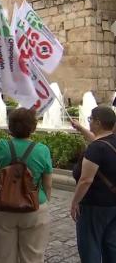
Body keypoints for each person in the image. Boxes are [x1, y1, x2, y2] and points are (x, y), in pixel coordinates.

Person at [0, 108, 52, 263]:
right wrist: (44, 202)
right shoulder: (42, 150)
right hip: (35, 206)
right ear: (33, 127)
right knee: (33, 257)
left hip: (4, 204)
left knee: (2, 256)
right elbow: (47, 184)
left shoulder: (3, 145)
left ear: (10, 127)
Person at [71, 106, 116, 263]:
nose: (89, 122)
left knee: (90, 247)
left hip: (94, 206)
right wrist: (80, 127)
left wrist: (75, 202)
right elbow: (99, 141)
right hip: (113, 205)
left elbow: (86, 180)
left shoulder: (96, 149)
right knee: (111, 245)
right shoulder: (111, 142)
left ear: (97, 122)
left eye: (90, 120)